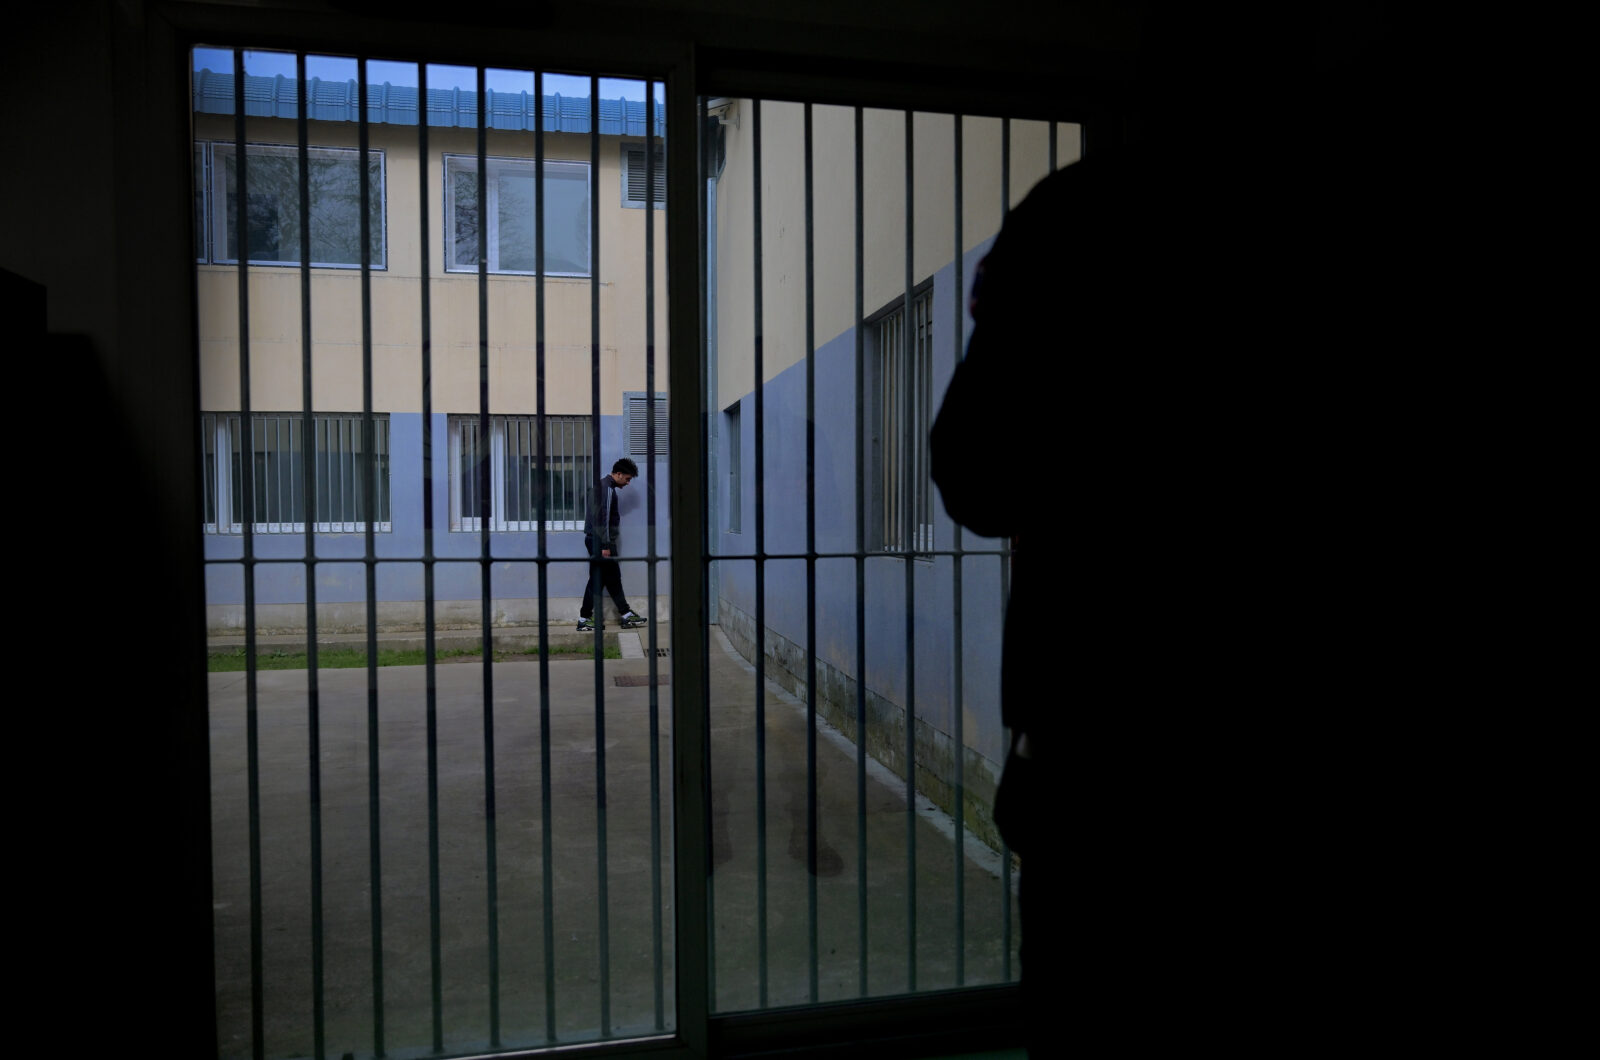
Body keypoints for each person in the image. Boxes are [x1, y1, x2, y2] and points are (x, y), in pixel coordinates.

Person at [577, 457, 649, 632]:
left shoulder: (601, 486)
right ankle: (585, 618)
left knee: (611, 578)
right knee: (599, 580)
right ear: (618, 474)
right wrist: (605, 546)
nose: (628, 483)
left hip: (596, 540)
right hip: (600, 541)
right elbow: (603, 519)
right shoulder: (607, 489)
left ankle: (625, 614)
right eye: (627, 479)